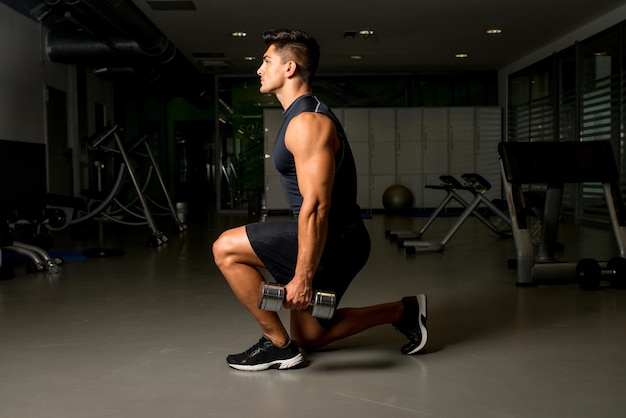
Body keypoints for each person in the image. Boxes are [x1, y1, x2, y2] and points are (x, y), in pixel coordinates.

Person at [212, 29, 427, 371]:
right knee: (312, 335)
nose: (259, 69)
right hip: (342, 238)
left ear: (290, 68)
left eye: (267, 61)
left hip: (334, 238)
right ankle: (403, 311)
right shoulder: (300, 115)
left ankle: (276, 344)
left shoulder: (308, 122)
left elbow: (316, 207)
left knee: (225, 247)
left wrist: (302, 277)